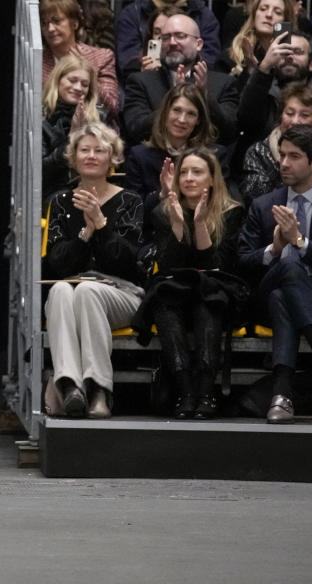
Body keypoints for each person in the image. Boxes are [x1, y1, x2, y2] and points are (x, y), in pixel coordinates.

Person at [238, 125, 312, 424]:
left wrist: (301, 243)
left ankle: (281, 394)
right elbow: (242, 261)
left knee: (285, 296)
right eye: (282, 155)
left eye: (294, 156)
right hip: (264, 296)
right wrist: (275, 248)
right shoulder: (264, 204)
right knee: (287, 268)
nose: (284, 163)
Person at [131, 147, 247, 418]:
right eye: (183, 172)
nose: (189, 178)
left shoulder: (232, 213)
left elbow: (217, 268)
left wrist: (200, 226)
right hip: (176, 287)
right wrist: (178, 224)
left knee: (208, 299)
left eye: (197, 172)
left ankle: (206, 392)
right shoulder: (164, 211)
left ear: (212, 179)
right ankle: (185, 391)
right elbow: (170, 267)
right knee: (163, 300)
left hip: (215, 287)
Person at [44, 122, 145, 418]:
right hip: (74, 290)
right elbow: (57, 263)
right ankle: (71, 386)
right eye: (84, 150)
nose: (90, 155)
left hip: (121, 293)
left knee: (86, 290)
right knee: (62, 288)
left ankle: (100, 389)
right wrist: (85, 234)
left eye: (99, 150)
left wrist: (100, 224)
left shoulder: (130, 201)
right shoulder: (60, 202)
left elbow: (127, 262)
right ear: (74, 158)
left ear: (112, 158)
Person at [122, 13, 240, 148]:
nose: (172, 42)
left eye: (180, 36)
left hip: (204, 162)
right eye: (166, 38)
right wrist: (172, 99)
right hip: (155, 161)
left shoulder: (223, 83)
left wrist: (204, 95)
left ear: (199, 44)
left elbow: (229, 132)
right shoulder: (140, 81)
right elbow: (135, 130)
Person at [123, 83, 226, 215]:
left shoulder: (215, 155)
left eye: (191, 114)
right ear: (165, 113)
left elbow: (221, 206)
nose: (182, 120)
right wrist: (162, 194)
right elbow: (131, 212)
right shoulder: (139, 156)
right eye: (177, 110)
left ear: (199, 120)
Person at [241, 82, 312, 206]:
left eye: (304, 115)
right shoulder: (259, 152)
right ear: (281, 116)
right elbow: (255, 200)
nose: (295, 121)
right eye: (289, 113)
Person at [235, 31, 312, 153]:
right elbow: (245, 120)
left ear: (311, 64)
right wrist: (264, 67)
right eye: (284, 51)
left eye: (297, 52)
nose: (289, 57)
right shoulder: (262, 95)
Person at [40, 0, 120, 126]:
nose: (50, 28)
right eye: (44, 23)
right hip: (49, 134)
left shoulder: (102, 57)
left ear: (75, 23)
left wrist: (89, 73)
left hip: (94, 134)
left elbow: (113, 107)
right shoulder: (38, 60)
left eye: (56, 21)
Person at [43, 56, 103, 198]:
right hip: (50, 193)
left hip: (90, 191)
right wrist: (73, 137)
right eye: (72, 80)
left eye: (84, 84)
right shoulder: (42, 117)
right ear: (58, 80)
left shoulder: (97, 118)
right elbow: (40, 171)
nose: (78, 88)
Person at [116, 0, 222, 78]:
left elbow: (210, 61)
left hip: (192, 81)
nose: (171, 42)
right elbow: (128, 63)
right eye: (158, 33)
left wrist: (179, 70)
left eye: (179, 35)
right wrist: (145, 76)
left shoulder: (204, 15)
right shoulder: (132, 14)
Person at [221, 0, 298, 91]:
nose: (269, 15)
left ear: (286, 21)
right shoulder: (231, 57)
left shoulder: (292, 58)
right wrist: (252, 69)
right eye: (263, 9)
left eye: (277, 12)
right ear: (254, 15)